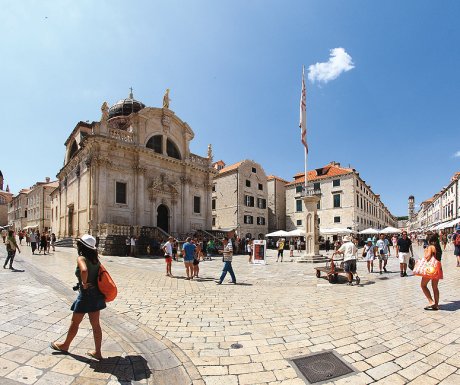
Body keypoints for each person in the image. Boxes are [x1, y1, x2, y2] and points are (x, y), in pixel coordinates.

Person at [51, 234, 106, 360]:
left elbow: (84, 270)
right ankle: (98, 352)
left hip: (86, 295)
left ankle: (65, 345)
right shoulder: (96, 259)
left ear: (82, 246)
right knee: (96, 325)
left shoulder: (81, 258)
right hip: (96, 294)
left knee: (75, 322)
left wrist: (83, 283)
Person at [420, 234, 443, 310]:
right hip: (438, 267)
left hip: (431, 268)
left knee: (423, 285)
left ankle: (431, 301)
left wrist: (425, 251)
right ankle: (436, 305)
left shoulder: (430, 247)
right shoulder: (438, 248)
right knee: (435, 287)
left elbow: (427, 257)